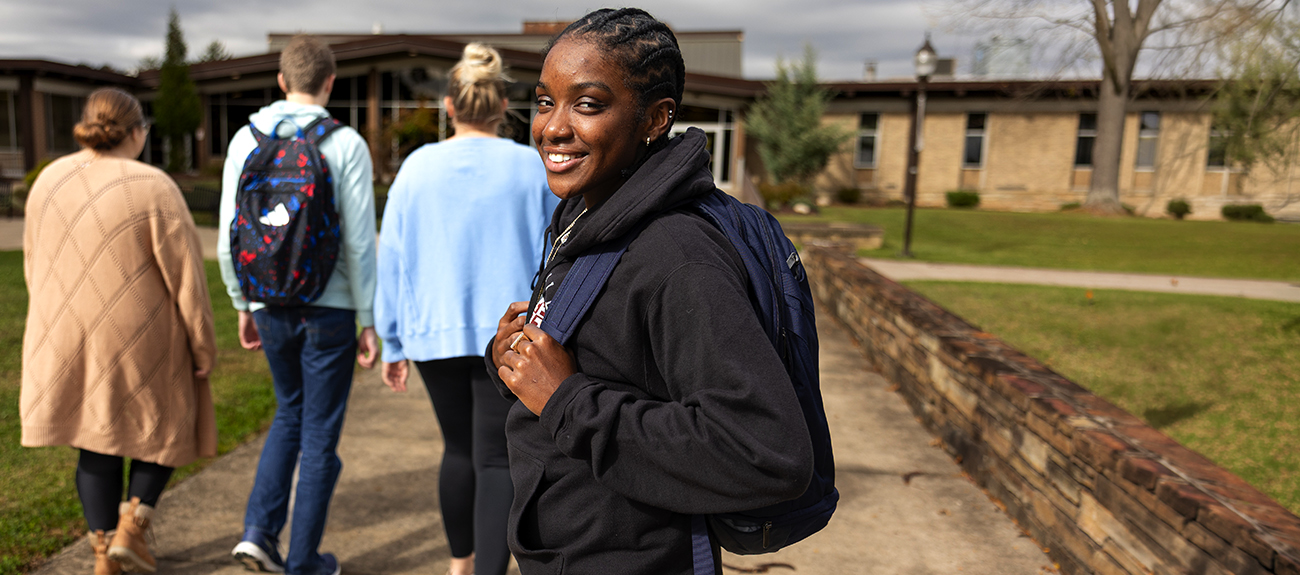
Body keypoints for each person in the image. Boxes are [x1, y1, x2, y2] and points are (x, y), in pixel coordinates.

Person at [487, 9, 814, 575]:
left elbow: (768, 451)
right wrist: (515, 362)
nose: (553, 128)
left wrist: (568, 402)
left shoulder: (676, 254)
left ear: (655, 118)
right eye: (544, 102)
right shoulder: (589, 213)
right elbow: (605, 366)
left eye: (587, 104)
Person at [374, 43, 555, 575]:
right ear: (503, 105)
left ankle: (459, 564)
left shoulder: (416, 167)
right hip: (511, 336)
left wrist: (392, 339)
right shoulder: (532, 166)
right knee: (497, 456)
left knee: (457, 450)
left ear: (449, 106)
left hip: (434, 333)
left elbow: (394, 257)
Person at [21, 87, 217, 575]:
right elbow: (187, 278)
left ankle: (102, 556)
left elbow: (32, 261)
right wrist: (203, 343)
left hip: (65, 327)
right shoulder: (153, 185)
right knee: (169, 422)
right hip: (141, 330)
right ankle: (133, 526)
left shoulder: (48, 179)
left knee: (95, 437)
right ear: (135, 132)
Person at [217, 35, 378, 575]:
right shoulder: (345, 142)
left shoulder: (246, 139)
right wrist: (368, 319)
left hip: (268, 302)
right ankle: (304, 561)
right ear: (329, 82)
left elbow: (229, 236)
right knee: (318, 436)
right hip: (328, 308)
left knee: (289, 412)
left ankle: (259, 533)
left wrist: (243, 302)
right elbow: (358, 242)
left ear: (282, 81)